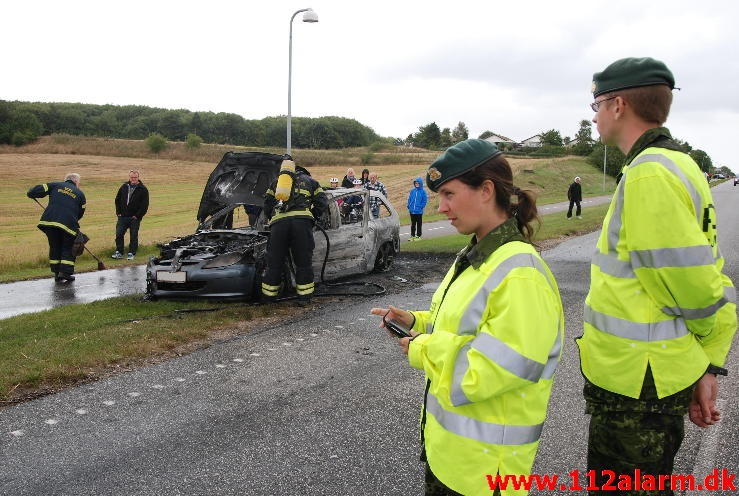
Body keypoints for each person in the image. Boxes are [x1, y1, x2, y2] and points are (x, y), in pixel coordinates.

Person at [579, 57, 736, 495]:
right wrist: (706, 363)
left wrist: (706, 358)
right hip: (644, 375)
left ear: (618, 105)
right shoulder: (678, 164)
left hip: (638, 384)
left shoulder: (649, 172)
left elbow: (693, 286)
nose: (592, 115)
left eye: (596, 103)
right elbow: (707, 268)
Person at [371, 139, 564, 496]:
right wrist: (416, 321)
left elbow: (490, 371)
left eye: (448, 194)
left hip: (485, 475)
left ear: (486, 190)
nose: (441, 207)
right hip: (454, 461)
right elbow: (462, 324)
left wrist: (422, 348)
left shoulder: (521, 274)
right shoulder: (477, 254)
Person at [261, 162, 328, 304]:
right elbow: (322, 202)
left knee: (274, 262)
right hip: (301, 224)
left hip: (279, 225)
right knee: (303, 262)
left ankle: (268, 298)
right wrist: (312, 217)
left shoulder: (276, 183)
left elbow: (266, 204)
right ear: (304, 172)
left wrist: (272, 219)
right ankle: (304, 298)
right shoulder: (311, 182)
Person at [27, 173, 87, 282]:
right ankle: (65, 273)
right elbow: (81, 213)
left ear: (66, 180)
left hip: (50, 223)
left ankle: (56, 273)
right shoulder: (80, 194)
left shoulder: (55, 185)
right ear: (77, 182)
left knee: (55, 246)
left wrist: (30, 193)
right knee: (67, 247)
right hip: (68, 225)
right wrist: (73, 220)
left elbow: (36, 191)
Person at [112, 170, 149, 260]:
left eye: (135, 177)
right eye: (132, 177)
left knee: (133, 236)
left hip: (134, 218)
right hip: (122, 217)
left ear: (138, 177)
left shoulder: (143, 189)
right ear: (129, 177)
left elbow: (145, 205)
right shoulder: (124, 187)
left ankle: (131, 253)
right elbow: (117, 200)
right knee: (119, 234)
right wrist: (118, 213)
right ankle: (119, 252)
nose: (133, 179)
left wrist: (137, 216)